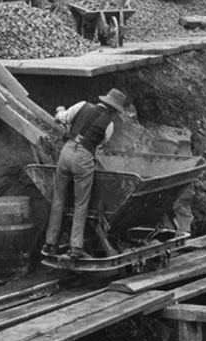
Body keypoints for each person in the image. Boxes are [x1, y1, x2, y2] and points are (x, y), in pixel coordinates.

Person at [43, 87, 138, 259]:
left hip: (66, 152)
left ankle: (50, 243)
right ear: (115, 109)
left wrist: (60, 111)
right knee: (81, 204)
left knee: (58, 199)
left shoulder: (82, 106)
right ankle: (76, 247)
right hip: (84, 157)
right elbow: (100, 142)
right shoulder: (109, 124)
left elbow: (61, 119)